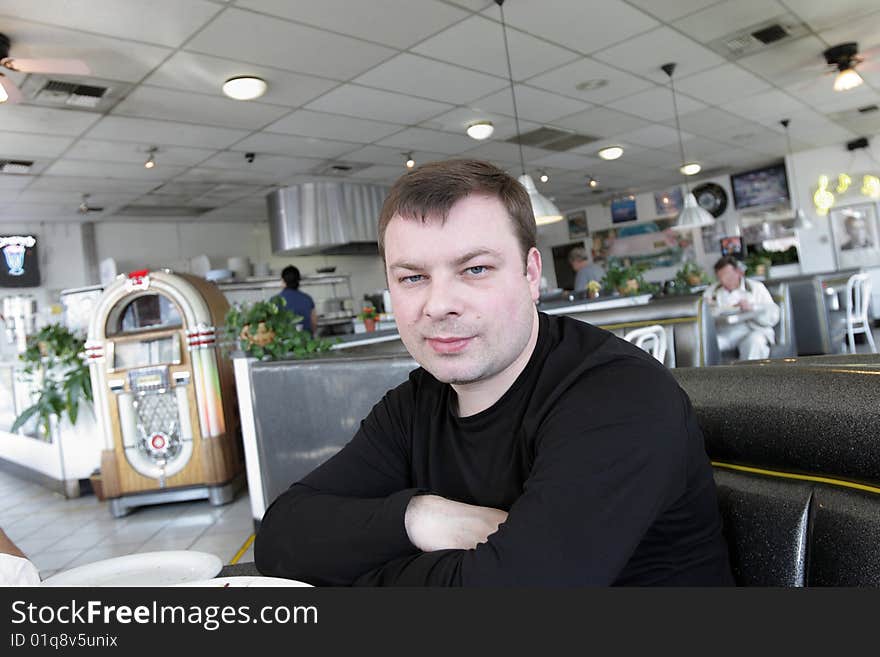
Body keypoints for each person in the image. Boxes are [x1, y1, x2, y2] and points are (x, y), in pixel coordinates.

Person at [255, 159, 734, 586]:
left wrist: (362, 568)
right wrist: (418, 518)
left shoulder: (618, 395)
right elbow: (281, 538)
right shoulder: (417, 403)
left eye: (476, 269)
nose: (439, 305)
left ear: (530, 274)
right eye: (413, 277)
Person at [704, 255, 780, 361]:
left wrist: (752, 307)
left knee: (755, 342)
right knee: (704, 344)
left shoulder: (755, 287)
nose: (724, 282)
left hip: (751, 331)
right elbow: (703, 314)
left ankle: (749, 377)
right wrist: (707, 307)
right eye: (721, 278)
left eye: (727, 276)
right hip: (724, 333)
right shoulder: (712, 291)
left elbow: (773, 314)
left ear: (738, 272)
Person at [273, 265, 317, 335]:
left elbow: (271, 327)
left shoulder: (274, 300)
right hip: (307, 343)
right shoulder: (307, 298)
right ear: (298, 281)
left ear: (283, 281)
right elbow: (314, 323)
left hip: (284, 344)